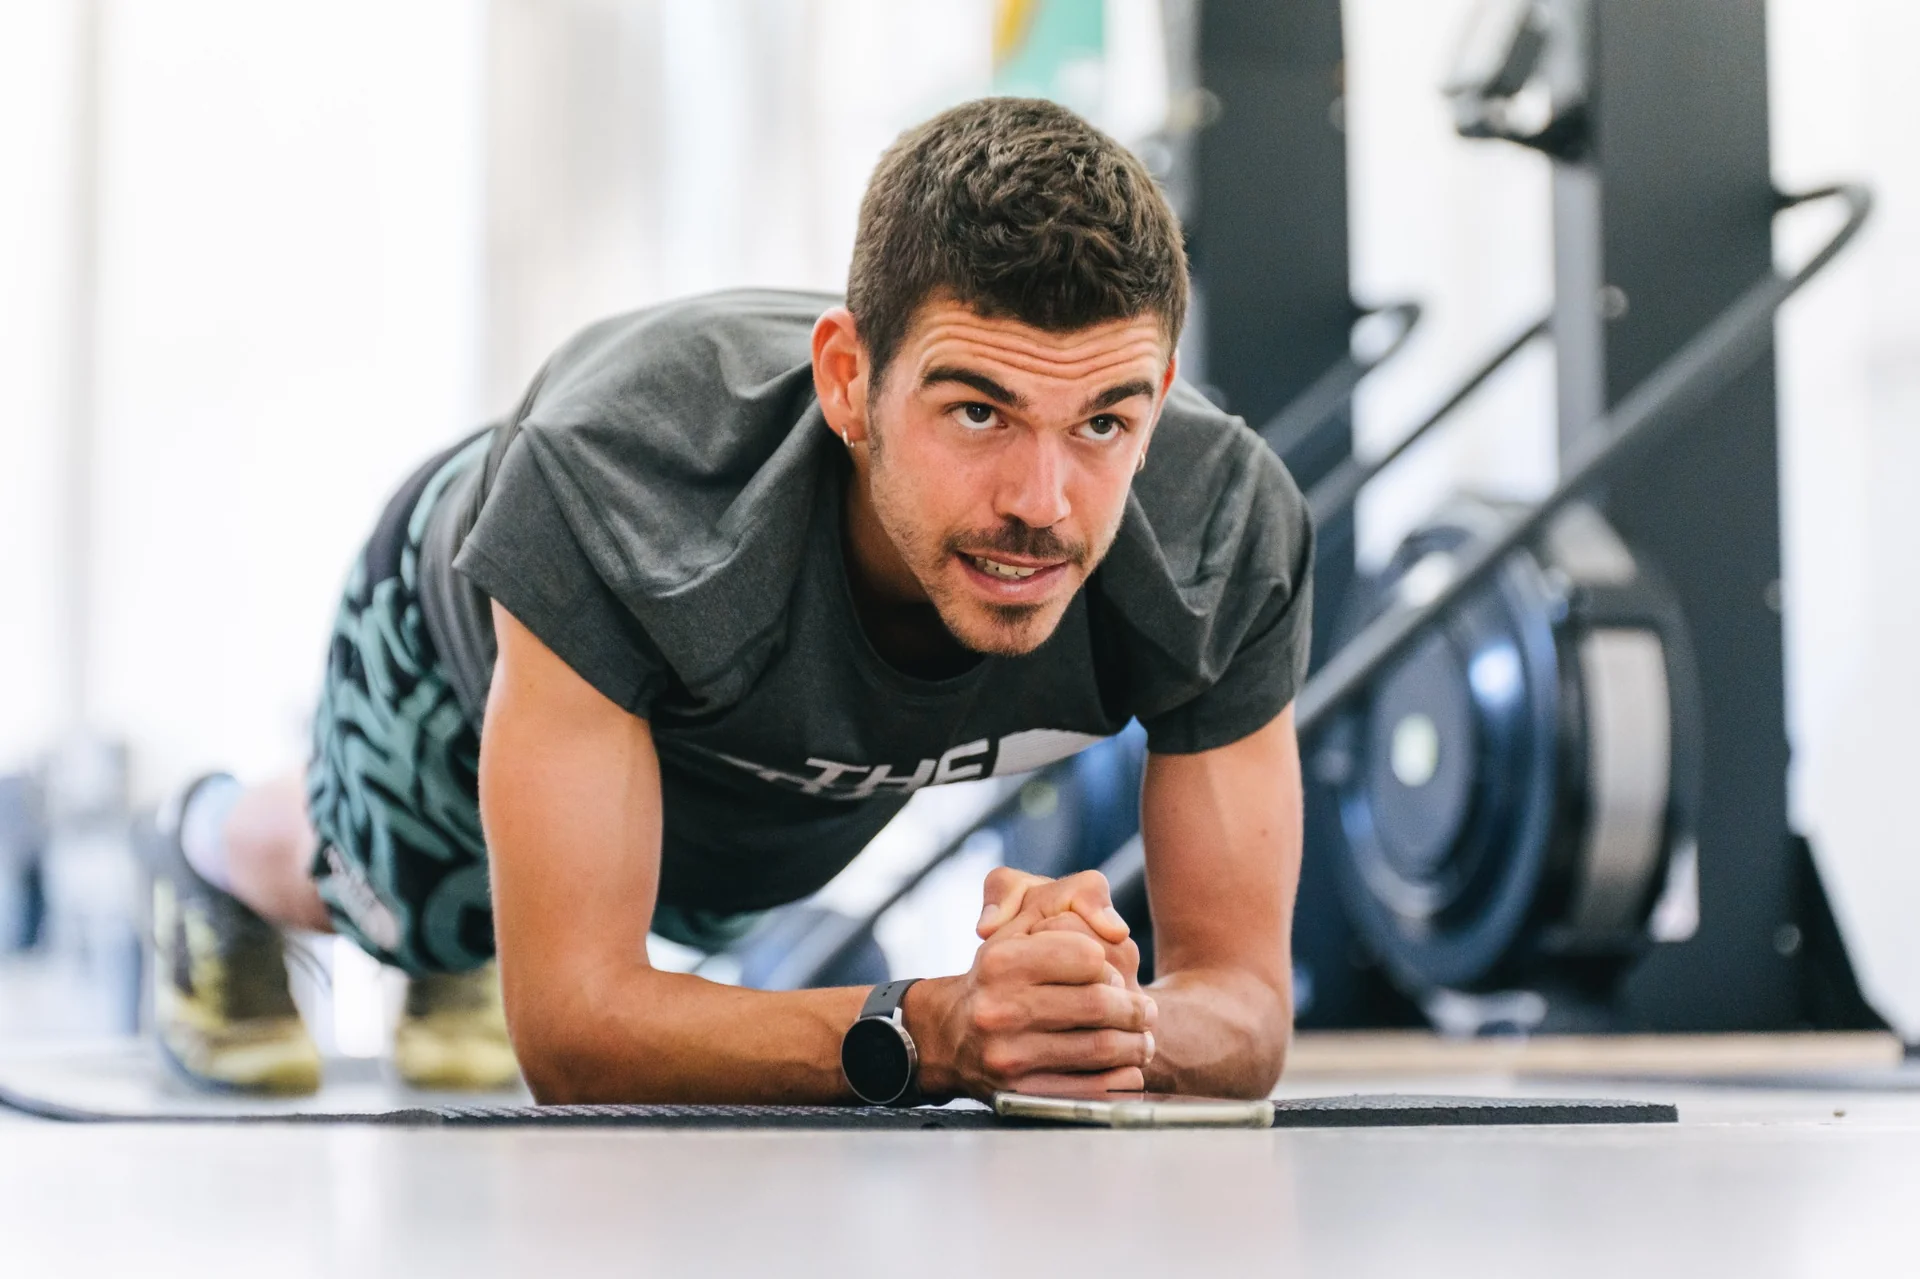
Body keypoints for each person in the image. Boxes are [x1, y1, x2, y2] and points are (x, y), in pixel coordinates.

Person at [146, 95, 1312, 1104]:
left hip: (748, 795)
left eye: (1103, 422)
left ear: (1160, 393)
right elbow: (572, 1035)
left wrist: (1105, 1021)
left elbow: (1247, 1006)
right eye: (976, 412)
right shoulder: (623, 483)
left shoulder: (1223, 533)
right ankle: (208, 842)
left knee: (694, 916)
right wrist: (936, 1029)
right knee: (410, 901)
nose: (1041, 504)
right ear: (848, 381)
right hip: (474, 634)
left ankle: (503, 914)